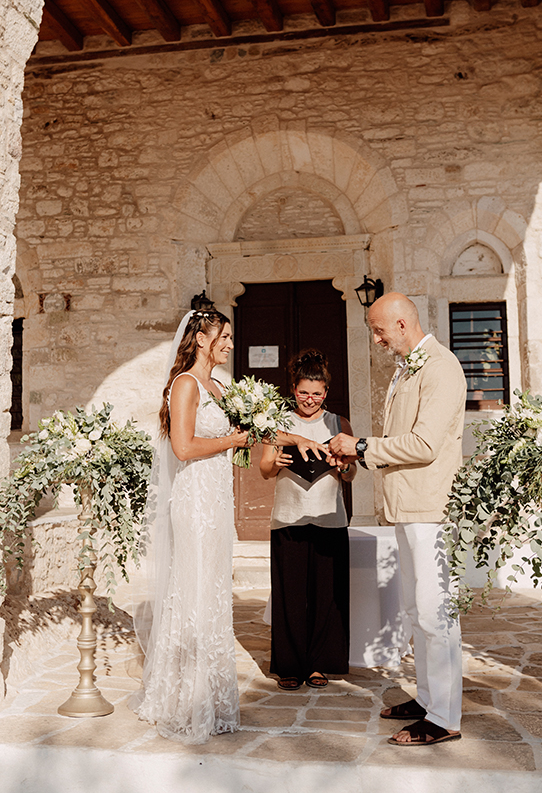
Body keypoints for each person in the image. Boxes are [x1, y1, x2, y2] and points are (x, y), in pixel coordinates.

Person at [131, 306, 329, 743]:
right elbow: (183, 447)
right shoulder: (185, 385)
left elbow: (259, 430)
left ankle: (214, 700)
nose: (230, 344)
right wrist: (234, 440)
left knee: (214, 593)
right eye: (224, 336)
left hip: (217, 500)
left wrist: (299, 438)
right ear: (201, 338)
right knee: (195, 590)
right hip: (194, 499)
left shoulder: (219, 388)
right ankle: (185, 699)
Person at [329, 292, 466, 747]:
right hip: (407, 507)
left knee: (435, 613)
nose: (377, 339)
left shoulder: (442, 367)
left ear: (403, 324)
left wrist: (362, 447)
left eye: (379, 329)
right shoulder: (408, 368)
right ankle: (428, 699)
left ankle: (445, 717)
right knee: (415, 610)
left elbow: (424, 444)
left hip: (431, 508)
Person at [260, 349, 356, 691]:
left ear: (326, 393)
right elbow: (264, 470)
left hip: (330, 519)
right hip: (288, 517)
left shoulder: (338, 423)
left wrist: (342, 464)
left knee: (325, 596)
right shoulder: (279, 422)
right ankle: (289, 665)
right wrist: (278, 463)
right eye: (304, 392)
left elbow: (351, 474)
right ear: (293, 390)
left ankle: (319, 664)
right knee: (290, 595)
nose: (310, 399)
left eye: (317, 393)